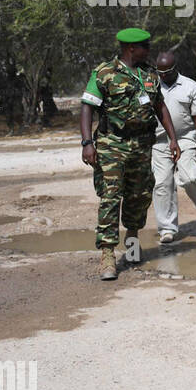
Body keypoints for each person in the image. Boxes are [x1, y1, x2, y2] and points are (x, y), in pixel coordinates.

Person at [79, 28, 180, 280]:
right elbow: (87, 107)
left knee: (139, 195)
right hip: (112, 144)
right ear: (131, 48)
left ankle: (133, 242)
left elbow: (160, 106)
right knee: (111, 197)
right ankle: (107, 256)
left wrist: (173, 138)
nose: (149, 50)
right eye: (146, 46)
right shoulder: (104, 73)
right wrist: (87, 143)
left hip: (142, 145)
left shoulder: (149, 74)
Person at [150, 51, 196, 244]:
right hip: (159, 141)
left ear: (175, 68)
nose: (163, 76)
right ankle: (167, 228)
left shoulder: (190, 86)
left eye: (167, 72)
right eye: (159, 72)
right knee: (162, 184)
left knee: (189, 177)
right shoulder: (151, 86)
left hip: (185, 137)